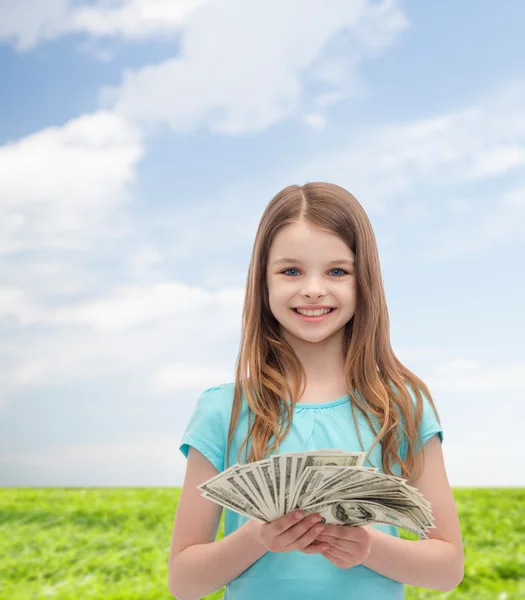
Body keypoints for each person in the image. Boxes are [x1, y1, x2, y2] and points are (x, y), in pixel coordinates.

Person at [168, 182, 464, 600]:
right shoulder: (224, 409)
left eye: (337, 271)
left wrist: (368, 547)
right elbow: (183, 582)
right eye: (291, 271)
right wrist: (257, 537)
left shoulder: (401, 406)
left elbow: (447, 568)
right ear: (262, 281)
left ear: (364, 282)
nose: (312, 288)